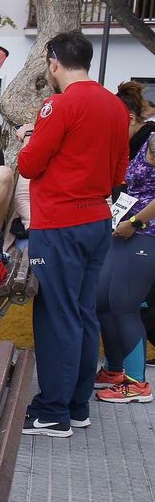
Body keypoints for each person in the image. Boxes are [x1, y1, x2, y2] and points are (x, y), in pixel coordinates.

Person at [17, 31, 129, 436]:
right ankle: (77, 404)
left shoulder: (58, 105)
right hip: (98, 220)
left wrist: (28, 136)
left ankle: (52, 410)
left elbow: (29, 165)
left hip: (59, 222)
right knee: (83, 314)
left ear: (53, 63)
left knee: (56, 316)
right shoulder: (116, 107)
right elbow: (119, 174)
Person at [94, 126, 155, 404]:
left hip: (144, 233)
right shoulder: (143, 141)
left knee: (124, 307)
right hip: (124, 231)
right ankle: (115, 370)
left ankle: (137, 383)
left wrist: (136, 222)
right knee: (103, 302)